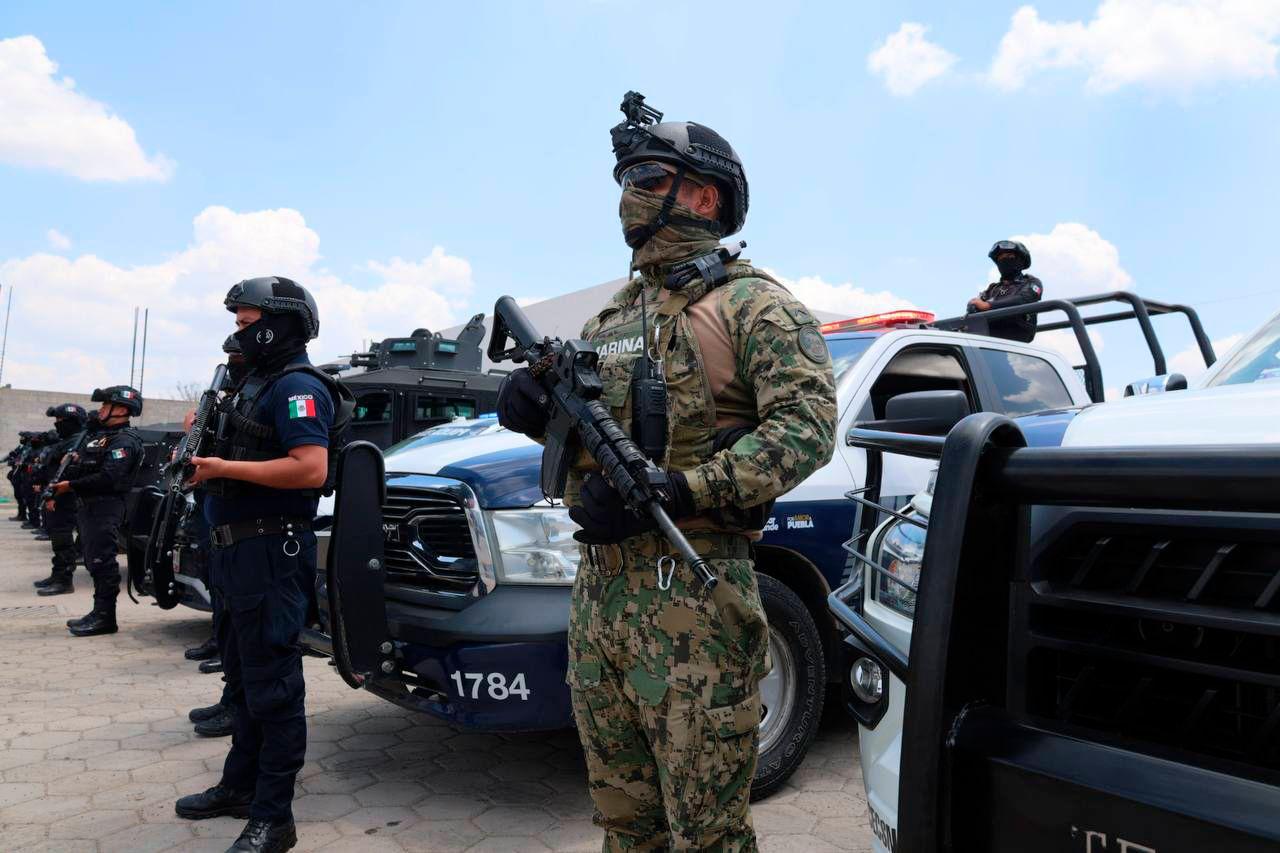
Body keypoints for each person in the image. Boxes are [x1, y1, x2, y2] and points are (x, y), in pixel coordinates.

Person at [497, 93, 837, 850]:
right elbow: (592, 440)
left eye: (649, 178)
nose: (631, 196)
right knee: (625, 825)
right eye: (626, 180)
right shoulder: (612, 317)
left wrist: (685, 489)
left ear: (705, 196)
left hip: (696, 592)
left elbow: (806, 430)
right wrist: (535, 412)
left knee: (708, 833)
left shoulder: (754, 306)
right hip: (601, 597)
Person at [174, 277, 350, 853]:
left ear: (280, 325)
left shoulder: (298, 387)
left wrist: (223, 468)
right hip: (237, 553)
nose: (239, 334)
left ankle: (275, 818)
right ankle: (240, 787)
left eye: (248, 324)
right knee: (246, 683)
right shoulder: (255, 386)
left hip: (271, 553)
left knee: (274, 688)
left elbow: (310, 468)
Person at [54, 387, 144, 636]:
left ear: (122, 410)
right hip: (90, 507)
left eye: (106, 405)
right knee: (94, 560)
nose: (101, 410)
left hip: (106, 507)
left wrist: (71, 485)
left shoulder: (124, 441)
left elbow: (109, 478)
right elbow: (87, 467)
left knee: (102, 561)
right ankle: (98, 612)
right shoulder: (101, 438)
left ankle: (105, 617)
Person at [33, 404, 93, 596]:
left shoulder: (80, 442)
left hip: (66, 497)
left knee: (63, 539)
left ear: (73, 422)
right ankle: (57, 574)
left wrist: (54, 495)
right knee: (58, 538)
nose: (57, 424)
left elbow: (68, 473)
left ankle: (64, 581)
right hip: (56, 495)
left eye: (61, 421)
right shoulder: (67, 441)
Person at [967, 239, 1044, 343]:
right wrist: (973, 304)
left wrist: (988, 305)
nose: (1004, 260)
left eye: (1009, 257)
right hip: (989, 340)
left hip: (1016, 340)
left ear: (1021, 260)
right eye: (1001, 258)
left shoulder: (1032, 282)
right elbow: (976, 306)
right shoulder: (992, 289)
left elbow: (1023, 299)